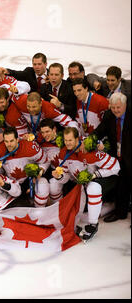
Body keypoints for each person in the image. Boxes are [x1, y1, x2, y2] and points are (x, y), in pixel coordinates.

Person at [49, 127, 119, 242]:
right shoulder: (63, 152)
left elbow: (116, 166)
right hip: (82, 183)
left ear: (77, 139)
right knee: (81, 214)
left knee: (93, 187)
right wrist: (60, 176)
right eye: (65, 140)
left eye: (70, 140)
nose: (67, 143)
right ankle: (110, 206)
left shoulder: (90, 150)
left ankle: (93, 225)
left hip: (107, 179)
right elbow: (66, 178)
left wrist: (95, 175)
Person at [91, 93, 130, 223]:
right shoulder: (109, 115)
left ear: (125, 105)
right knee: (121, 185)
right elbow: (99, 131)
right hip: (118, 156)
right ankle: (120, 212)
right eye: (113, 107)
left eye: (118, 107)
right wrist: (90, 141)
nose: (115, 110)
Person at [0, 127, 50, 207]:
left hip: (30, 180)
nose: (9, 144)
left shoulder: (30, 147)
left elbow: (45, 161)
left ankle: (40, 212)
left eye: (11, 141)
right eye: (6, 141)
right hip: (13, 185)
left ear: (17, 139)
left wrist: (38, 174)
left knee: (43, 184)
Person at [5, 92, 78, 138]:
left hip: (43, 135)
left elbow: (69, 121)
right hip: (26, 131)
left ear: (40, 104)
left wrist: (76, 136)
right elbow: (9, 92)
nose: (31, 109)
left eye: (34, 107)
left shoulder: (48, 108)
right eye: (28, 106)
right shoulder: (21, 101)